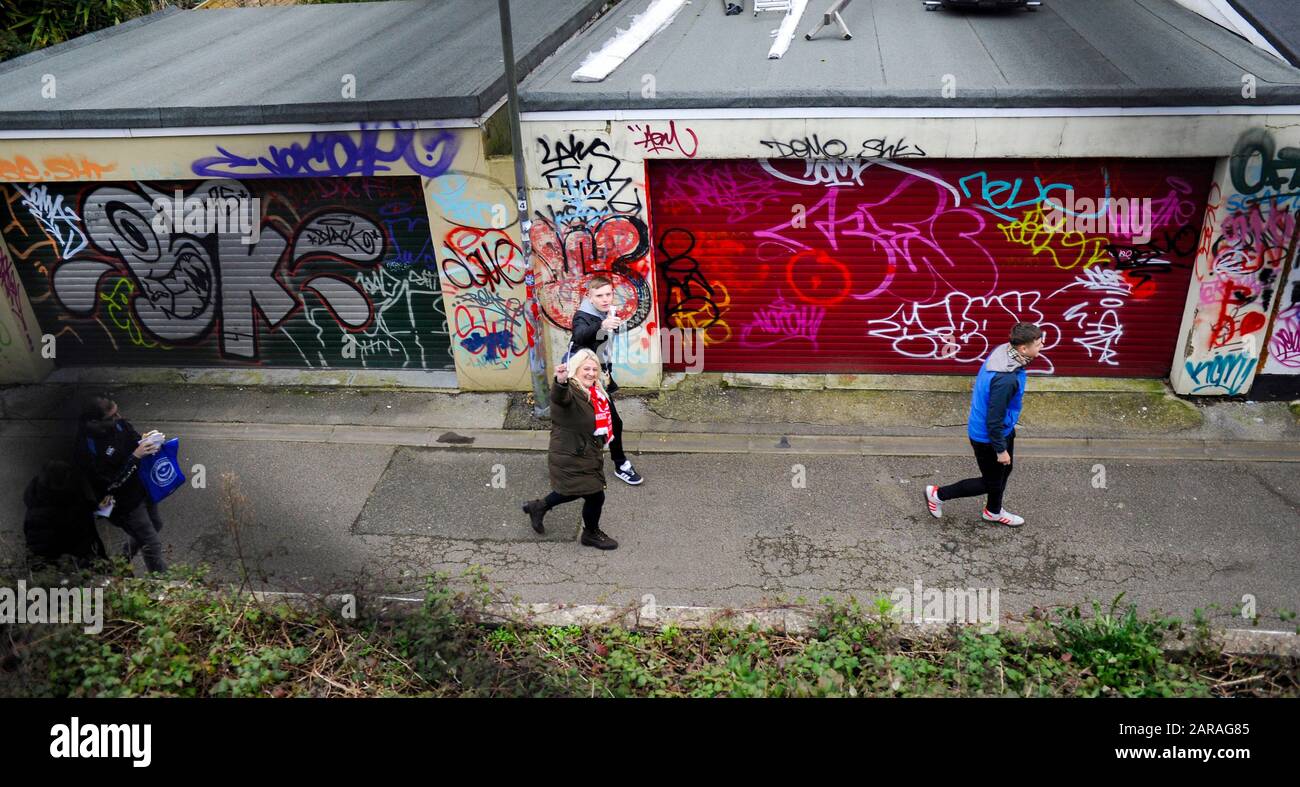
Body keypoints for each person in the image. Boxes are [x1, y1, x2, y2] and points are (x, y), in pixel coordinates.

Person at [925, 323, 1044, 528]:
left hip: (1001, 429)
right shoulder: (1005, 379)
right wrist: (1000, 450)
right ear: (1023, 348)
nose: (1042, 346)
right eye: (1039, 344)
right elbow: (993, 420)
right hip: (988, 437)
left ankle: (993, 512)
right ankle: (938, 494)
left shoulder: (1005, 353)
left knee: (1004, 472)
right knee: (991, 482)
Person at [521, 348, 619, 550]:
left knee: (577, 490)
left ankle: (538, 507)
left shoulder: (594, 391)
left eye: (594, 369)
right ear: (575, 369)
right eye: (586, 369)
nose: (591, 373)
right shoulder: (571, 391)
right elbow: (560, 396)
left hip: (585, 452)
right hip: (571, 455)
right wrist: (560, 381)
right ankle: (590, 534)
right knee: (595, 494)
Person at [73, 392, 168, 573]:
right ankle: (162, 582)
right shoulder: (86, 450)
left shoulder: (118, 425)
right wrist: (135, 457)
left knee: (156, 525)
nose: (119, 417)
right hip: (121, 504)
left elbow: (134, 439)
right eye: (112, 416)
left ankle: (122, 561)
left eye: (117, 412)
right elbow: (111, 483)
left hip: (141, 489)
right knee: (152, 544)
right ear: (94, 422)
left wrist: (148, 441)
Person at [568, 276, 643, 485]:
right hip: (584, 379)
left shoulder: (605, 312)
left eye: (608, 294)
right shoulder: (583, 316)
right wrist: (602, 323)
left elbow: (603, 341)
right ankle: (620, 464)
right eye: (599, 295)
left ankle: (574, 461)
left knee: (588, 422)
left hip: (599, 376)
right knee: (612, 422)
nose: (605, 299)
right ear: (589, 297)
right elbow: (579, 334)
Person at [23, 460, 108, 570]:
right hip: (73, 565)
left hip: (83, 556)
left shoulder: (62, 495)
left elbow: (80, 506)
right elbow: (41, 551)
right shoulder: (42, 515)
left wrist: (96, 507)